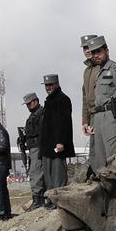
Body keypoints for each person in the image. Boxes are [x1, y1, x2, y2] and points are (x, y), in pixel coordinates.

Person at [84, 36, 116, 193]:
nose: (95, 55)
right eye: (93, 53)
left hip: (111, 118)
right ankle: (106, 191)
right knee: (99, 158)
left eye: (98, 51)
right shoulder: (98, 72)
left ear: (106, 50)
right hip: (98, 118)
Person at [40, 74, 74, 203]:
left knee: (58, 174)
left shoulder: (62, 99)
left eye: (50, 85)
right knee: (49, 176)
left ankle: (59, 201)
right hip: (48, 146)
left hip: (57, 145)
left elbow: (64, 122)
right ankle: (51, 200)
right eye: (46, 85)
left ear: (57, 84)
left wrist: (60, 141)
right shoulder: (50, 100)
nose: (48, 87)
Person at [22, 92, 45, 210]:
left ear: (35, 101)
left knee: (35, 173)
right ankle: (37, 199)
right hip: (33, 147)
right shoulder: (32, 116)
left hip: (38, 146)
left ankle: (38, 200)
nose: (28, 106)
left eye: (29, 103)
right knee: (33, 172)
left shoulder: (41, 113)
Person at [80, 34, 98, 178]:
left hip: (108, 116)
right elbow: (85, 98)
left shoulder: (105, 67)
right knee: (95, 154)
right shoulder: (87, 71)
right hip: (93, 118)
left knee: (111, 154)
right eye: (84, 47)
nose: (87, 50)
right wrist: (85, 121)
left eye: (89, 46)